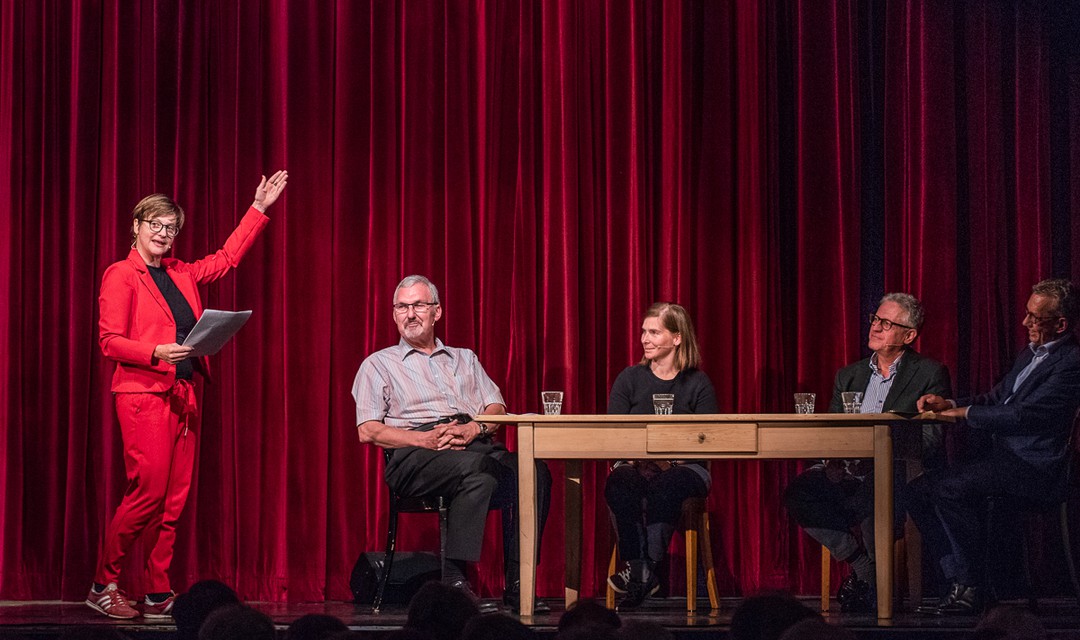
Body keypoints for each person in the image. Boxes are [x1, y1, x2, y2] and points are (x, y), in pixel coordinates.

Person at [88, 172, 287, 619]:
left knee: (173, 500)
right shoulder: (121, 274)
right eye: (155, 225)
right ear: (136, 226)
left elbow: (226, 259)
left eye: (171, 228)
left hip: (184, 393)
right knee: (148, 492)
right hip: (143, 394)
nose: (163, 234)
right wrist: (154, 351)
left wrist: (258, 208)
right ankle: (103, 583)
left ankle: (157, 590)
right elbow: (109, 341)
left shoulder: (180, 273)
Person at [351, 275, 553, 613]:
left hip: (472, 443)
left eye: (418, 305)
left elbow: (496, 407)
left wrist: (474, 428)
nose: (409, 314)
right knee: (478, 470)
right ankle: (455, 581)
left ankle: (519, 582)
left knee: (533, 472)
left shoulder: (464, 358)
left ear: (437, 312)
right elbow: (368, 430)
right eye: (401, 307)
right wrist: (424, 438)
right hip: (414, 454)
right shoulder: (378, 364)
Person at [912, 279, 1080, 615]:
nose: (1025, 322)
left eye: (1035, 318)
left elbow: (1024, 415)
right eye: (1027, 313)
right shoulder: (1029, 355)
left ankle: (972, 586)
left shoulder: (1072, 362)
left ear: (1061, 324)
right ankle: (961, 580)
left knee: (948, 488)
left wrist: (964, 414)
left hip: (1034, 467)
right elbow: (995, 398)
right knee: (915, 492)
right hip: (1005, 460)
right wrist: (949, 403)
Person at [783, 293, 951, 612]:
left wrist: (880, 457)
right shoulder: (849, 374)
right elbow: (832, 431)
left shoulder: (929, 372)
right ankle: (861, 563)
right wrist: (831, 461)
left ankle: (879, 593)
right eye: (875, 319)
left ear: (909, 335)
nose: (875, 327)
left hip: (897, 472)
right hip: (848, 473)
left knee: (877, 490)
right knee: (800, 491)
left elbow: (931, 438)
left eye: (886, 323)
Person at [604, 302, 719, 611]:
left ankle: (641, 571)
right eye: (644, 332)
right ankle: (642, 570)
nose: (645, 339)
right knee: (619, 481)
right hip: (634, 464)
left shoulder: (698, 382)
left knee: (667, 484)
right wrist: (639, 460)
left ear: (677, 338)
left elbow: (709, 438)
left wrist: (669, 463)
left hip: (686, 468)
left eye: (654, 332)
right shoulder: (629, 378)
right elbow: (613, 433)